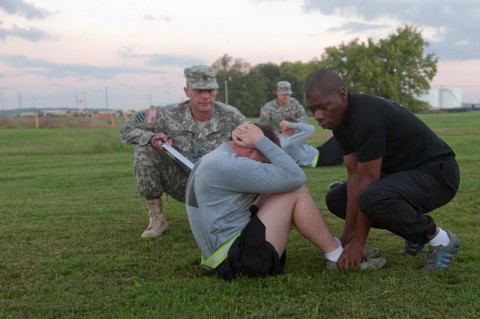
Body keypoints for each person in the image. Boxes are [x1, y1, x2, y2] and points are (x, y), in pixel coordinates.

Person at [304, 68, 461, 272]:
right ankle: (414, 235)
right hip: (404, 175)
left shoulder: (366, 115)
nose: (318, 116)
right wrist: (347, 237)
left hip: (438, 173)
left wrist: (358, 244)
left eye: (323, 107)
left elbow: (369, 180)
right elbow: (354, 176)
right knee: (337, 199)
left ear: (342, 94)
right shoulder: (339, 122)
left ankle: (440, 239)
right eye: (312, 110)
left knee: (372, 197)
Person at [185, 122, 385, 280]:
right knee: (295, 190)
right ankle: (338, 257)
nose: (263, 168)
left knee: (279, 189)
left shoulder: (215, 158)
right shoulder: (228, 164)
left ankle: (337, 247)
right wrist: (262, 141)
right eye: (264, 163)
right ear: (250, 149)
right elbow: (295, 176)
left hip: (224, 254)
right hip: (237, 261)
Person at [120, 65, 246, 239]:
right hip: (184, 184)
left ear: (215, 91)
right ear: (187, 91)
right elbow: (127, 129)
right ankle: (157, 219)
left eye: (210, 90)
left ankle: (250, 213)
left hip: (220, 186)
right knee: (144, 150)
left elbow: (254, 143)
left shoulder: (232, 116)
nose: (205, 96)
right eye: (198, 90)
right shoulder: (166, 114)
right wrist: (151, 136)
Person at [278, 118, 343, 167]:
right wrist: (289, 124)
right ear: (290, 129)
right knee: (344, 136)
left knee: (340, 132)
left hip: (318, 152)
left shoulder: (281, 139)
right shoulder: (289, 143)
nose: (297, 132)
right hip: (322, 160)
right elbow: (310, 128)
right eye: (295, 129)